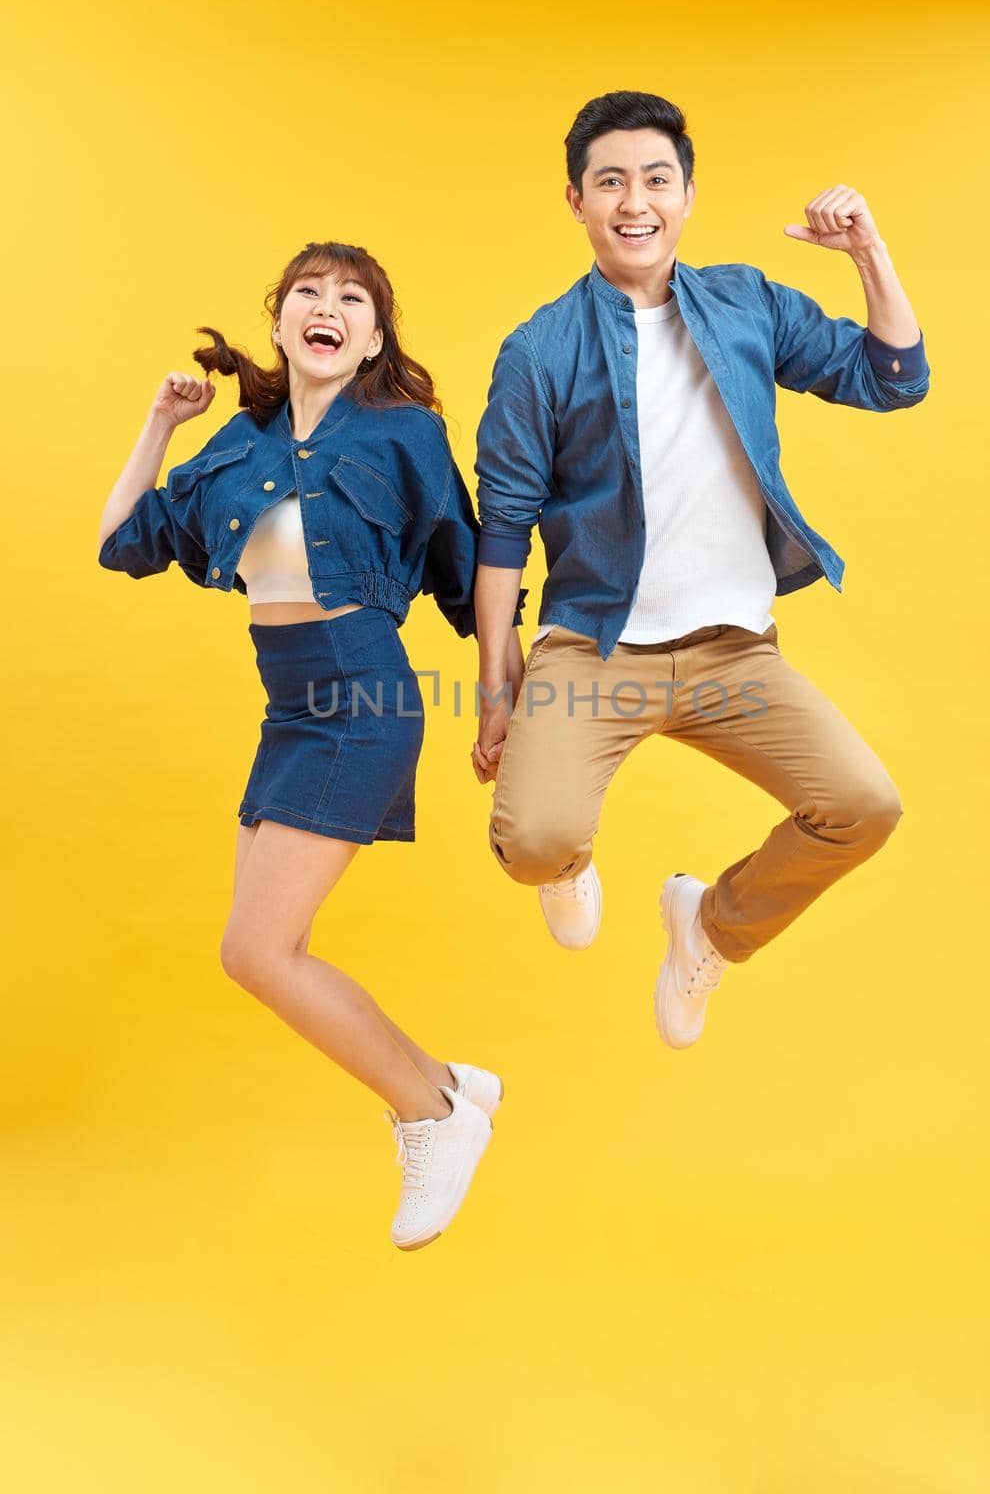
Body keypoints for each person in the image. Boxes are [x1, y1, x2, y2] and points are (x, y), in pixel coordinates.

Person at [471, 91, 930, 1050]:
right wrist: (494, 682)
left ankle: (709, 928)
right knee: (532, 842)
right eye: (610, 183)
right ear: (576, 200)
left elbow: (895, 380)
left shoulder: (748, 303)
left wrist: (867, 255)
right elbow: (504, 529)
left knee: (862, 807)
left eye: (655, 179)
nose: (634, 201)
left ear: (686, 195)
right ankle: (565, 862)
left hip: (736, 658)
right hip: (594, 652)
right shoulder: (539, 351)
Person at [99, 240, 523, 1249]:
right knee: (253, 956)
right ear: (281, 321)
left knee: (257, 947)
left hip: (360, 696)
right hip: (287, 709)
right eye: (307, 294)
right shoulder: (238, 446)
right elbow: (123, 542)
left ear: (373, 337)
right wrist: (160, 426)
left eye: (351, 300)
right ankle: (452, 1086)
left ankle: (432, 1115)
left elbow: (472, 568)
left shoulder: (405, 434)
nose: (327, 308)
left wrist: (503, 693)